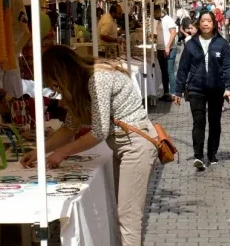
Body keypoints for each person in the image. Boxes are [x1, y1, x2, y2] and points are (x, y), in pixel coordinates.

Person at [20, 46, 156, 246]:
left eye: (54, 83)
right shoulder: (83, 82)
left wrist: (62, 152)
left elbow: (99, 132)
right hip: (126, 146)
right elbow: (69, 128)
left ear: (61, 73)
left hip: (135, 146)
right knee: (125, 215)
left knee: (128, 217)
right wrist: (39, 151)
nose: (55, 89)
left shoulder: (97, 79)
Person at [173, 11, 230, 170]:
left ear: (214, 24)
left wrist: (229, 88)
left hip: (217, 89)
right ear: (198, 24)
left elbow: (229, 67)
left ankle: (212, 153)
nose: (206, 24)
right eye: (203, 21)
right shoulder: (191, 44)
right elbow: (183, 68)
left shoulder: (222, 44)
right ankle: (198, 156)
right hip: (196, 88)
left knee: (215, 123)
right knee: (198, 123)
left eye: (209, 21)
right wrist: (178, 91)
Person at [154, 7, 177, 100]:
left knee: (169, 71)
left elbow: (173, 33)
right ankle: (166, 92)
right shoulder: (159, 21)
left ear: (158, 12)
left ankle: (173, 93)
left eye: (154, 13)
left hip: (169, 49)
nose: (153, 16)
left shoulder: (168, 20)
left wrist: (167, 46)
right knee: (164, 72)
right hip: (160, 48)